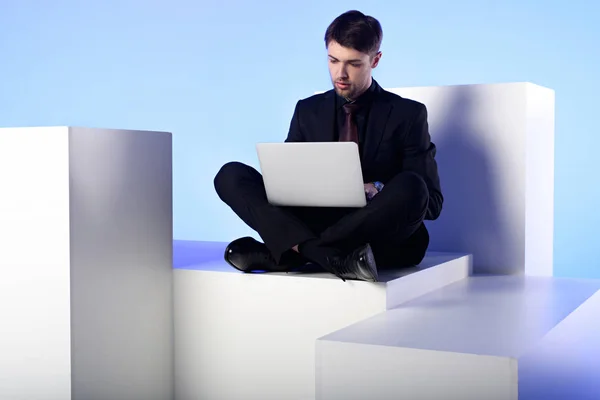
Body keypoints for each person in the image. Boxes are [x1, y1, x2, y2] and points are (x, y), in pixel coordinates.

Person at [214, 10, 443, 282]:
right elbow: (287, 183)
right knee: (230, 175)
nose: (340, 73)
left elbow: (432, 202)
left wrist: (378, 188)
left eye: (354, 64)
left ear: (376, 60)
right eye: (333, 60)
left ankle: (297, 252)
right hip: (319, 221)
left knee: (412, 187)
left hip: (376, 233)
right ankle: (331, 257)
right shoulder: (307, 111)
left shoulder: (408, 114)